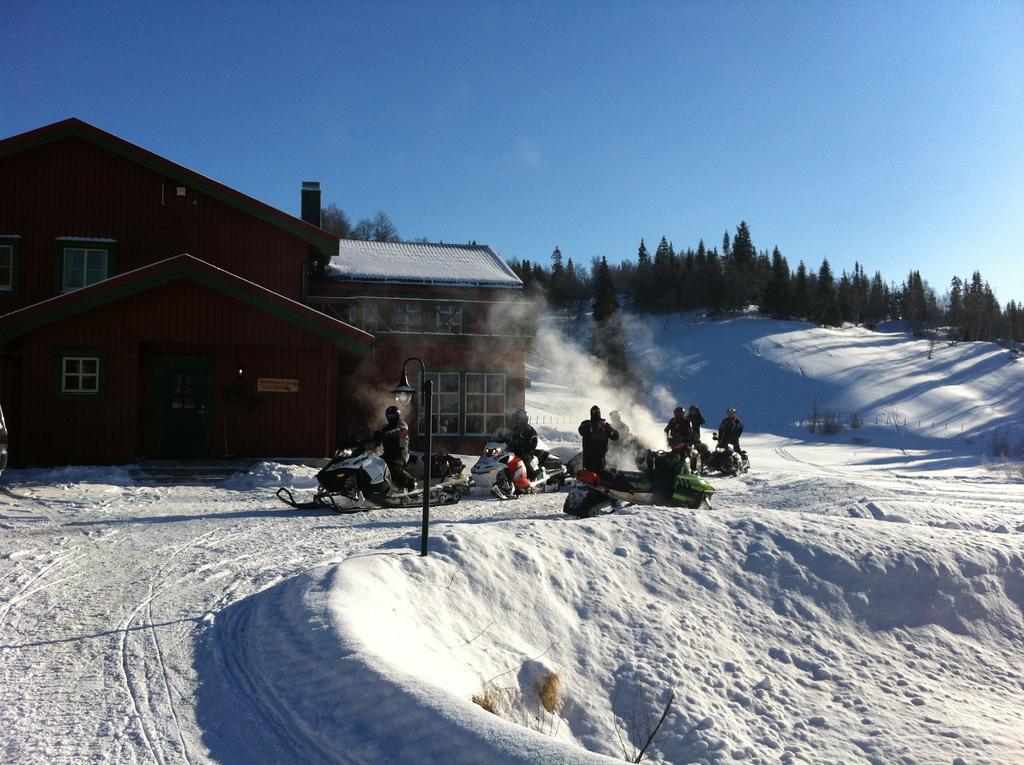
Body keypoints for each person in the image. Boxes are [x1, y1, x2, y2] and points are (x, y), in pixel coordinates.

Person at [379, 405, 416, 492]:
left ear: (398, 415)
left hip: (401, 453)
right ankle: (381, 488)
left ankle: (410, 482)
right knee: (375, 464)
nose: (391, 418)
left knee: (393, 467)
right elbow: (379, 436)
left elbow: (400, 433)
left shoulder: (402, 425)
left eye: (393, 416)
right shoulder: (385, 428)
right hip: (388, 454)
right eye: (389, 416)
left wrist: (386, 434)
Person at [578, 405, 620, 472]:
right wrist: (594, 425)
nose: (597, 413)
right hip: (589, 462)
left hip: (601, 462)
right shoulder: (587, 423)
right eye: (595, 411)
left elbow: (615, 437)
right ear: (591, 413)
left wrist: (609, 429)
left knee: (601, 479)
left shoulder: (604, 426)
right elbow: (581, 430)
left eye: (598, 411)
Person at [506, 409, 540, 479]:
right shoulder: (515, 429)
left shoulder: (530, 430)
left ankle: (532, 476)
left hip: (526, 452)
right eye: (516, 419)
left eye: (518, 419)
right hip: (514, 451)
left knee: (522, 458)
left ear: (524, 420)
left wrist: (523, 446)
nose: (516, 421)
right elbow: (508, 438)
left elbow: (534, 443)